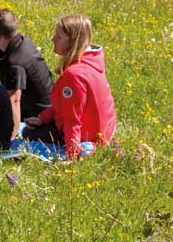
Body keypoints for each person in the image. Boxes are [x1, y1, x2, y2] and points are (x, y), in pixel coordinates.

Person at [22, 15, 117, 159]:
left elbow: (72, 119)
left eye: (58, 37)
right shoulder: (92, 60)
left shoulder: (74, 76)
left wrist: (72, 155)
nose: (53, 39)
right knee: (35, 126)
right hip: (104, 130)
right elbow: (65, 103)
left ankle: (85, 148)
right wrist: (43, 118)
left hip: (89, 135)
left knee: (27, 133)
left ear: (73, 42)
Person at [0, 9, 54, 139]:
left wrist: (11, 134)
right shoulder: (20, 41)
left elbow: (15, 100)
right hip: (48, 104)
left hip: (39, 114)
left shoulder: (15, 63)